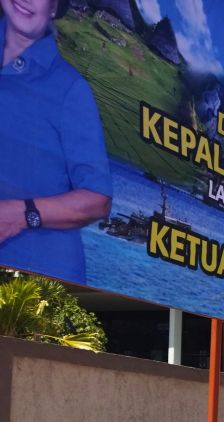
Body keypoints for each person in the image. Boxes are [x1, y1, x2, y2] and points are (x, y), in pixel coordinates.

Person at [0, 0, 113, 284]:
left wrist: (22, 214)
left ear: (54, 8)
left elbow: (97, 198)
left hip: (37, 286)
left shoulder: (69, 89)